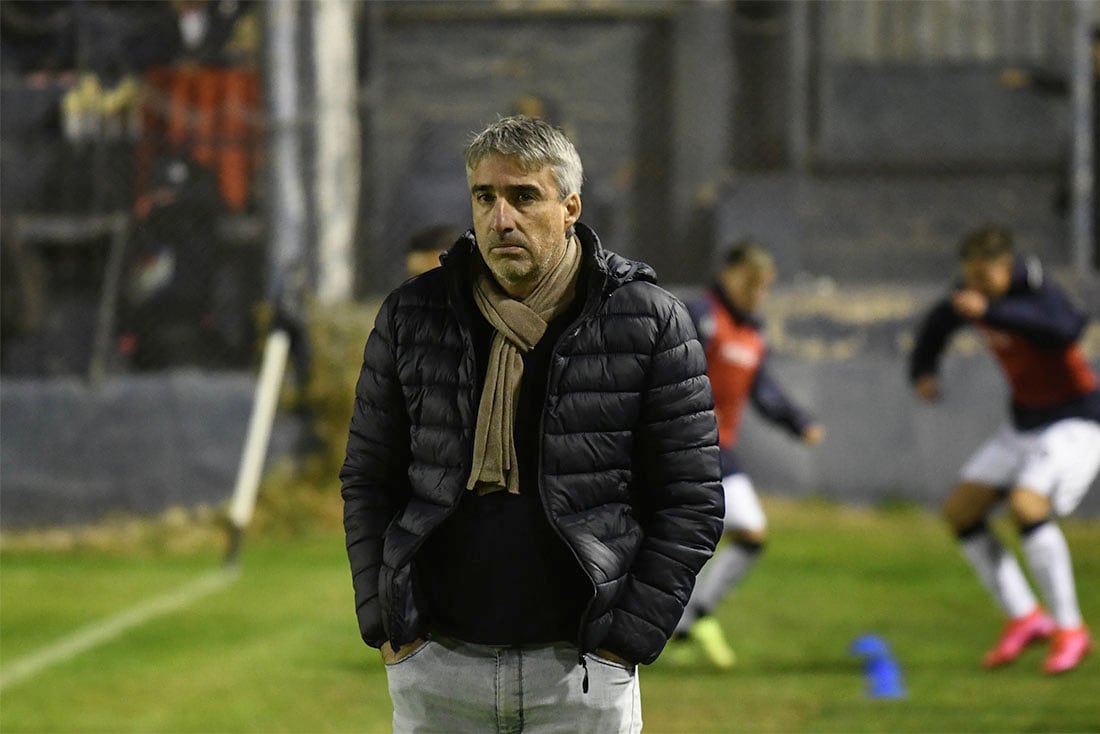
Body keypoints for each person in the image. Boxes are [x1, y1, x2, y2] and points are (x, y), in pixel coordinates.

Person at [340, 115, 725, 732]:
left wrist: (627, 639)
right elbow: (368, 477)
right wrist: (386, 625)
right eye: (484, 198)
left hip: (583, 671)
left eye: (524, 197)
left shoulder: (647, 320)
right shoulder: (415, 313)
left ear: (570, 206)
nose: (501, 219)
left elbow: (692, 499)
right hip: (437, 666)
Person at [910, 224, 1100, 675]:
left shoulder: (1035, 291)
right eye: (969, 276)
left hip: (1075, 421)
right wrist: (923, 370)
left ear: (1006, 267)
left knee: (1026, 504)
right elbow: (937, 324)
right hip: (1024, 424)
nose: (975, 286)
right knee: (960, 511)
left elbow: (1066, 329)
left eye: (984, 276)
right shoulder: (976, 296)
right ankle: (1025, 616)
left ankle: (1071, 630)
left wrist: (993, 311)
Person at [665, 241, 824, 669]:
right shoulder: (700, 317)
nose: (757, 293)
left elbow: (763, 390)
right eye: (752, 282)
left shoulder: (753, 333)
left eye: (764, 286)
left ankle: (690, 617)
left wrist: (797, 421)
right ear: (730, 273)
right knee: (683, 539)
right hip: (683, 446)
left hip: (721, 452)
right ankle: (657, 622)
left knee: (750, 533)